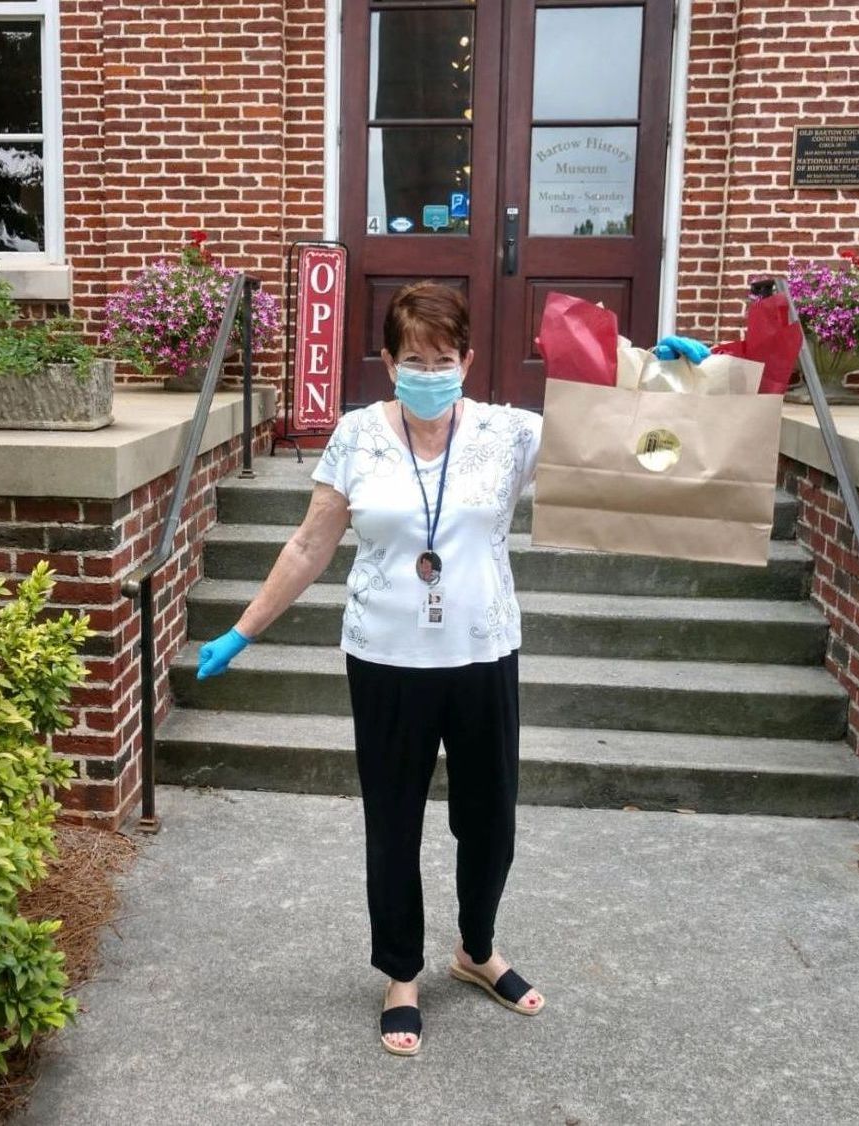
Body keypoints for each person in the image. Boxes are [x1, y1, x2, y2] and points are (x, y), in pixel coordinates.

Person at [196, 281, 709, 1057]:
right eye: (413, 359)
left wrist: (658, 381)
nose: (428, 373)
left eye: (442, 360)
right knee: (392, 823)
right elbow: (308, 544)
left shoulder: (509, 433)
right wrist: (242, 631)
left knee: (489, 820)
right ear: (387, 361)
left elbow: (617, 445)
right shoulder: (357, 436)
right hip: (385, 661)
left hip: (481, 654)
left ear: (467, 361)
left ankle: (476, 950)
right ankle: (400, 974)